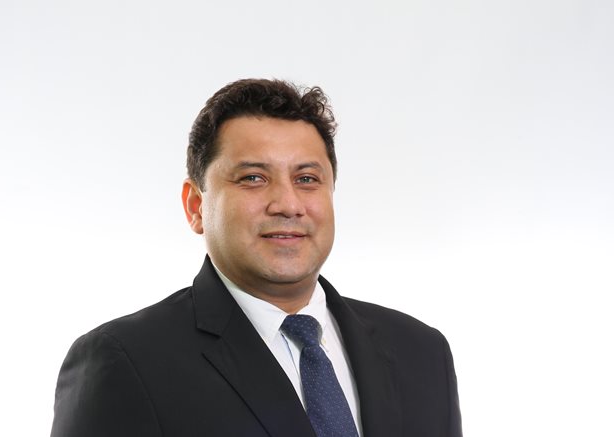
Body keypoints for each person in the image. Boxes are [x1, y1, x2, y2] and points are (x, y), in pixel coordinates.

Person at [50, 78, 463, 437]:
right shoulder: (125, 361)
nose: (288, 204)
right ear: (195, 206)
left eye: (307, 179)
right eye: (253, 178)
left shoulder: (421, 351)